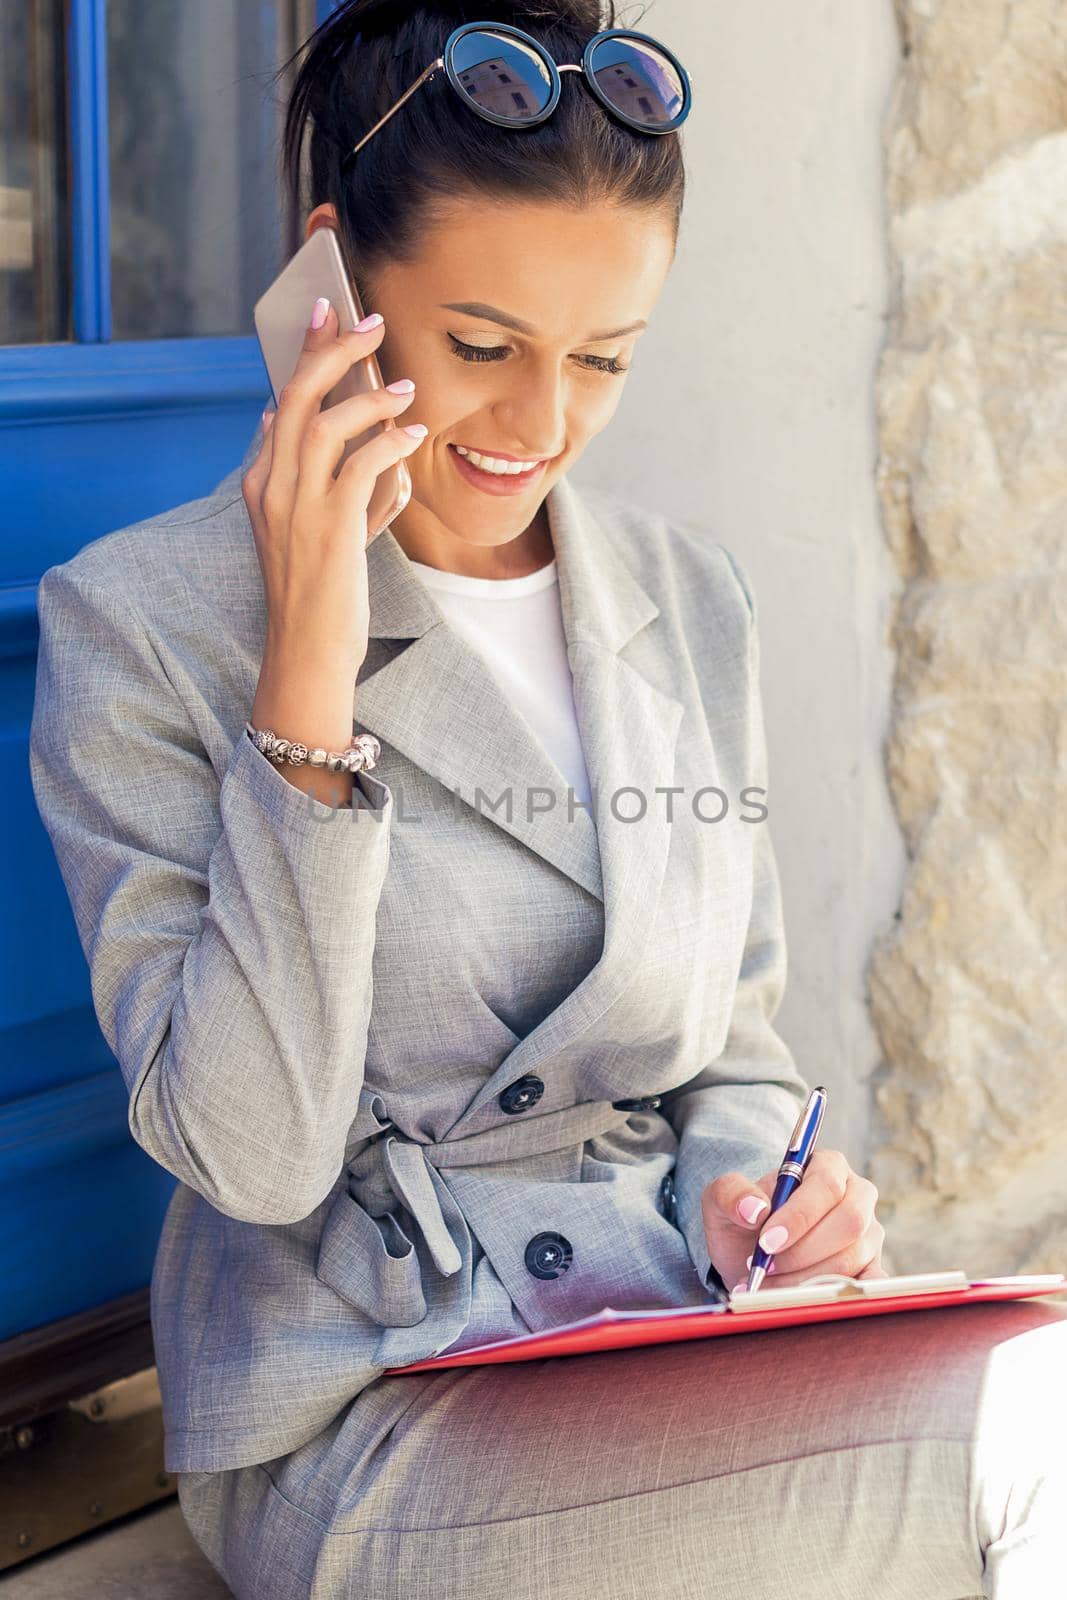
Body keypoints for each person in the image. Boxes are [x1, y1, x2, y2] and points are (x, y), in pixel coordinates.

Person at [28, 2, 1066, 1596]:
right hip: (373, 1409)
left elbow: (733, 1034)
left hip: (668, 1337)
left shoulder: (682, 594)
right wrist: (308, 666)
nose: (540, 425)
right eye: (482, 346)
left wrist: (761, 1198)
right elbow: (252, 1155)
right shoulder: (144, 626)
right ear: (334, 284)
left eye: (602, 360)